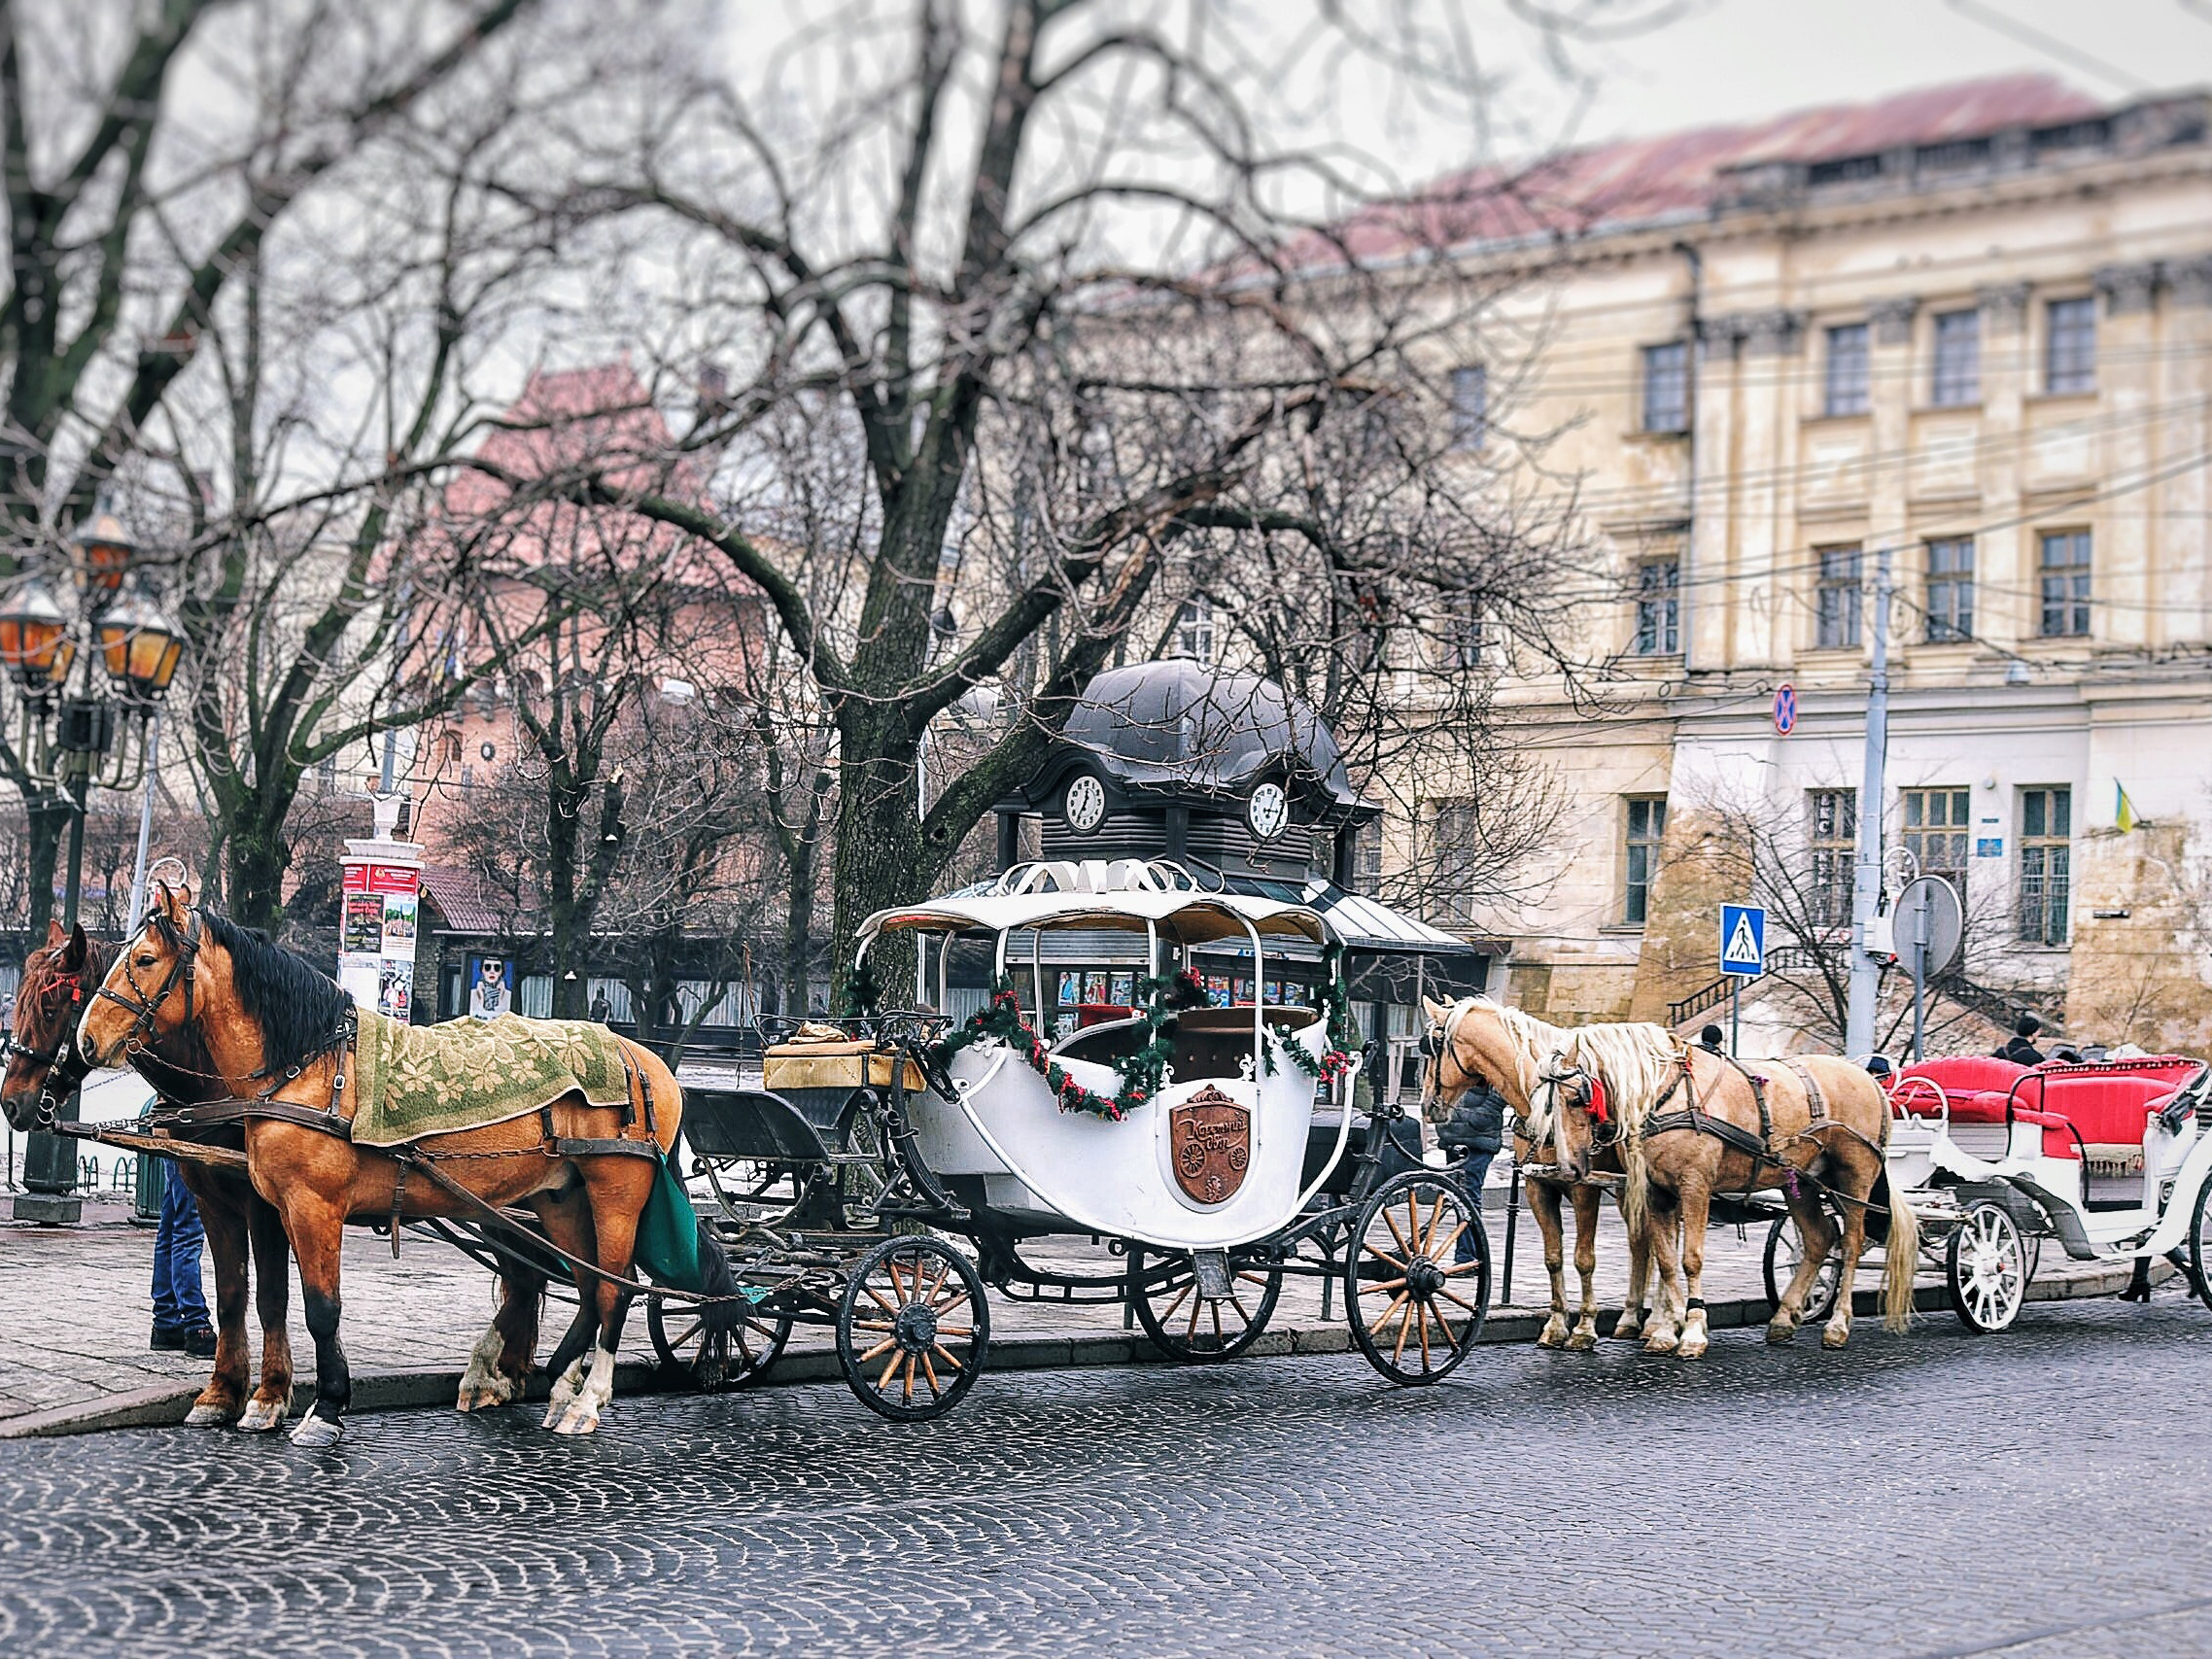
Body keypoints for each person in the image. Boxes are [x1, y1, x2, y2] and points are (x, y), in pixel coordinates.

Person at [1437, 1078, 1507, 1264]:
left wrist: (1462, 1116)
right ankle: (1471, 1256)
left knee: (1467, 1198)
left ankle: (1467, 1257)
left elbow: (1497, 1101)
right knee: (1460, 1198)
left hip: (1478, 1142)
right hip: (1452, 1138)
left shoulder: (1490, 1060)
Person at [150, 1160, 215, 1358]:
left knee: (172, 1225)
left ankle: (166, 1321)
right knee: (188, 1226)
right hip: (188, 1136)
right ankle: (196, 1325)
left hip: (173, 1136)